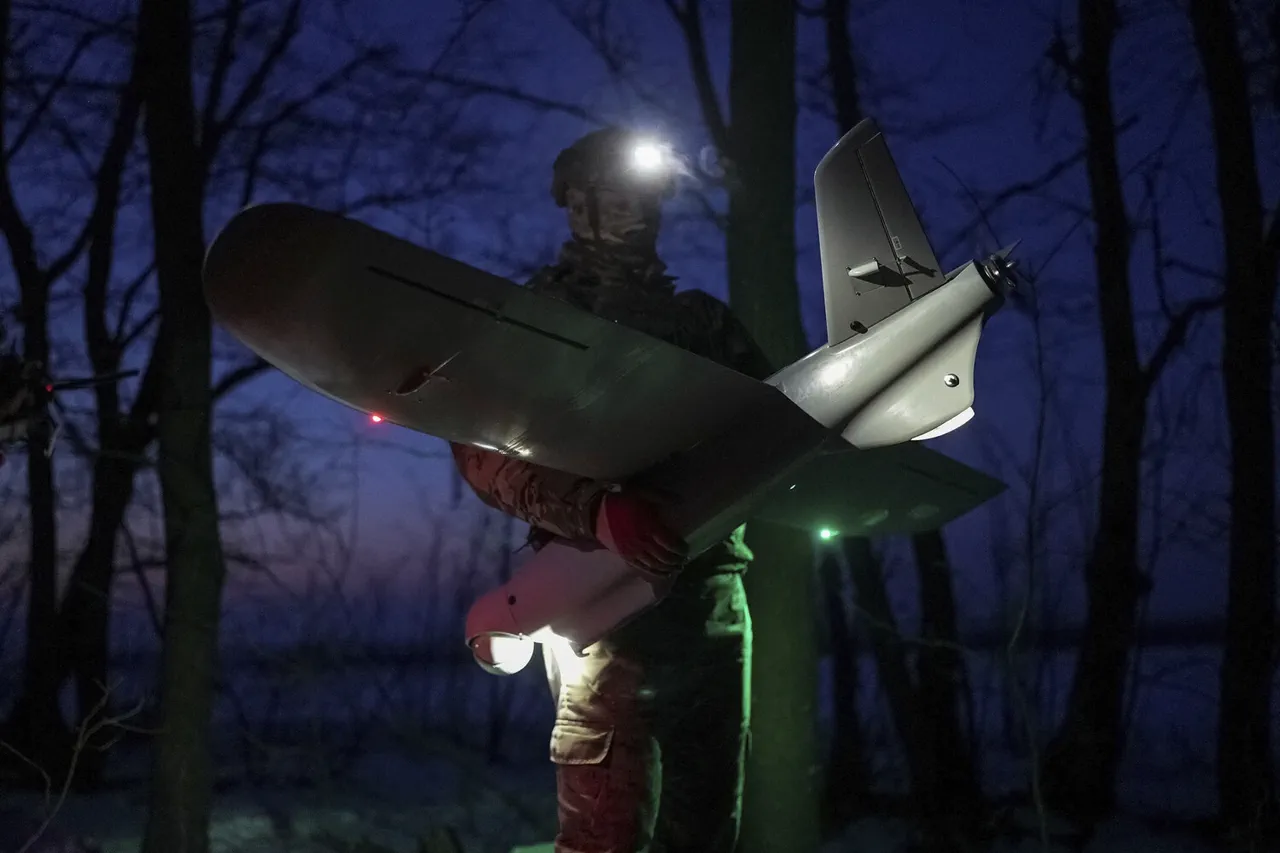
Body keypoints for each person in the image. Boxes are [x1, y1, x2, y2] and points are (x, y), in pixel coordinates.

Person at [451, 126, 774, 852]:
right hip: (598, 598)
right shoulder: (539, 322)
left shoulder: (704, 326)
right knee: (604, 833)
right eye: (617, 193)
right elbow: (482, 450)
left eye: (647, 194)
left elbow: (778, 433)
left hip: (711, 600)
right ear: (576, 204)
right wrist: (596, 510)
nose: (637, 210)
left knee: (704, 832)